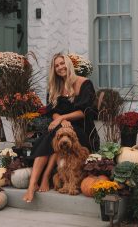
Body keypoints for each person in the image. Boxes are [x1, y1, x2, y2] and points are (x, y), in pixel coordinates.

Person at [22, 53, 99, 203]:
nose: (60, 67)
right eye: (56, 65)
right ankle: (34, 184)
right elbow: (52, 111)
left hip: (81, 130)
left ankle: (43, 178)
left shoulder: (84, 83)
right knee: (51, 137)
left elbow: (84, 112)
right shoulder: (55, 87)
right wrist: (59, 120)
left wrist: (63, 119)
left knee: (53, 135)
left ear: (68, 64)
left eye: (62, 63)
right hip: (60, 127)